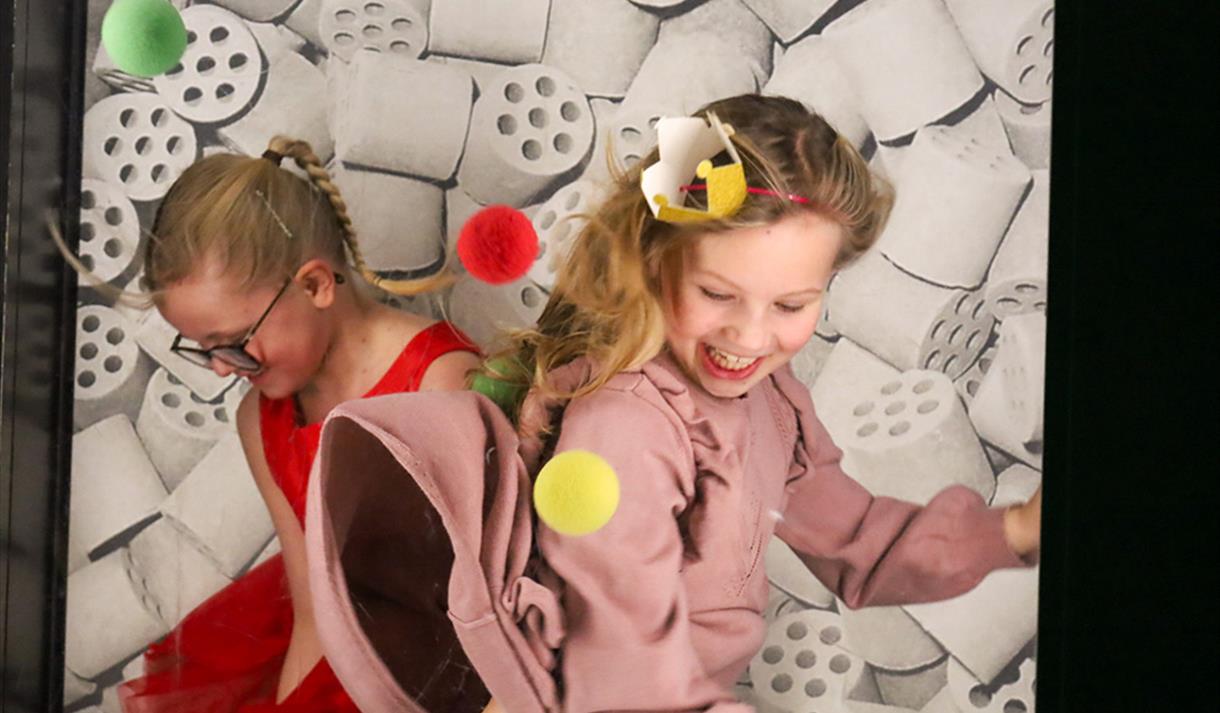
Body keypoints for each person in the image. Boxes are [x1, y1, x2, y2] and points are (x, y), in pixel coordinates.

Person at [303, 94, 1042, 712]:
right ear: (657, 264)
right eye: (718, 294)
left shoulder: (771, 404)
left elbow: (861, 545)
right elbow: (620, 662)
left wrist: (1011, 530)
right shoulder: (627, 424)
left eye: (791, 304)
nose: (749, 336)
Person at [93, 136, 486, 712]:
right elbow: (313, 609)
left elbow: (495, 584)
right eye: (203, 349)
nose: (223, 369)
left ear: (314, 285)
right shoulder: (260, 419)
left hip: (459, 662)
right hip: (345, 655)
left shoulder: (440, 382)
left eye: (234, 342)